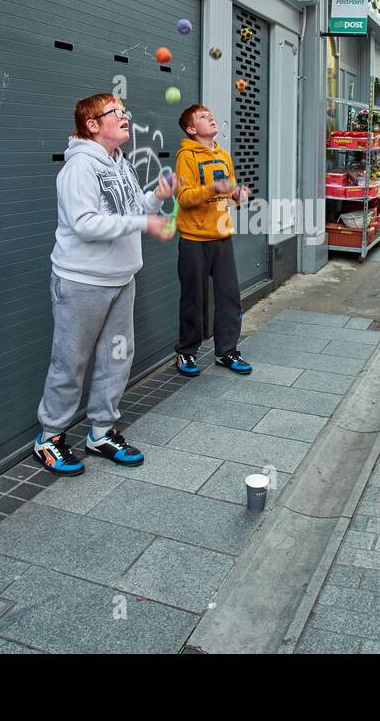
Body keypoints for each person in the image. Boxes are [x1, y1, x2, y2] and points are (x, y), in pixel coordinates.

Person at [33, 93, 175, 474]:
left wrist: (156, 199)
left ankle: (101, 431)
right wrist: (144, 223)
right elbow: (86, 224)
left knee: (116, 358)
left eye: (126, 111)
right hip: (81, 282)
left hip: (121, 280)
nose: (126, 117)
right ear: (93, 125)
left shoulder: (120, 163)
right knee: (70, 361)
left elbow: (129, 212)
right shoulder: (79, 168)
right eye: (116, 113)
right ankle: (50, 438)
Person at [173, 103, 254, 377]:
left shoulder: (224, 155)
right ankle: (186, 354)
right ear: (192, 129)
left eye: (211, 115)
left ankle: (227, 352)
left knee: (230, 297)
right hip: (194, 239)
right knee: (193, 300)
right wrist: (211, 189)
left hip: (221, 237)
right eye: (203, 117)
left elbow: (229, 191)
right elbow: (184, 198)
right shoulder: (186, 156)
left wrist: (237, 195)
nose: (211, 119)